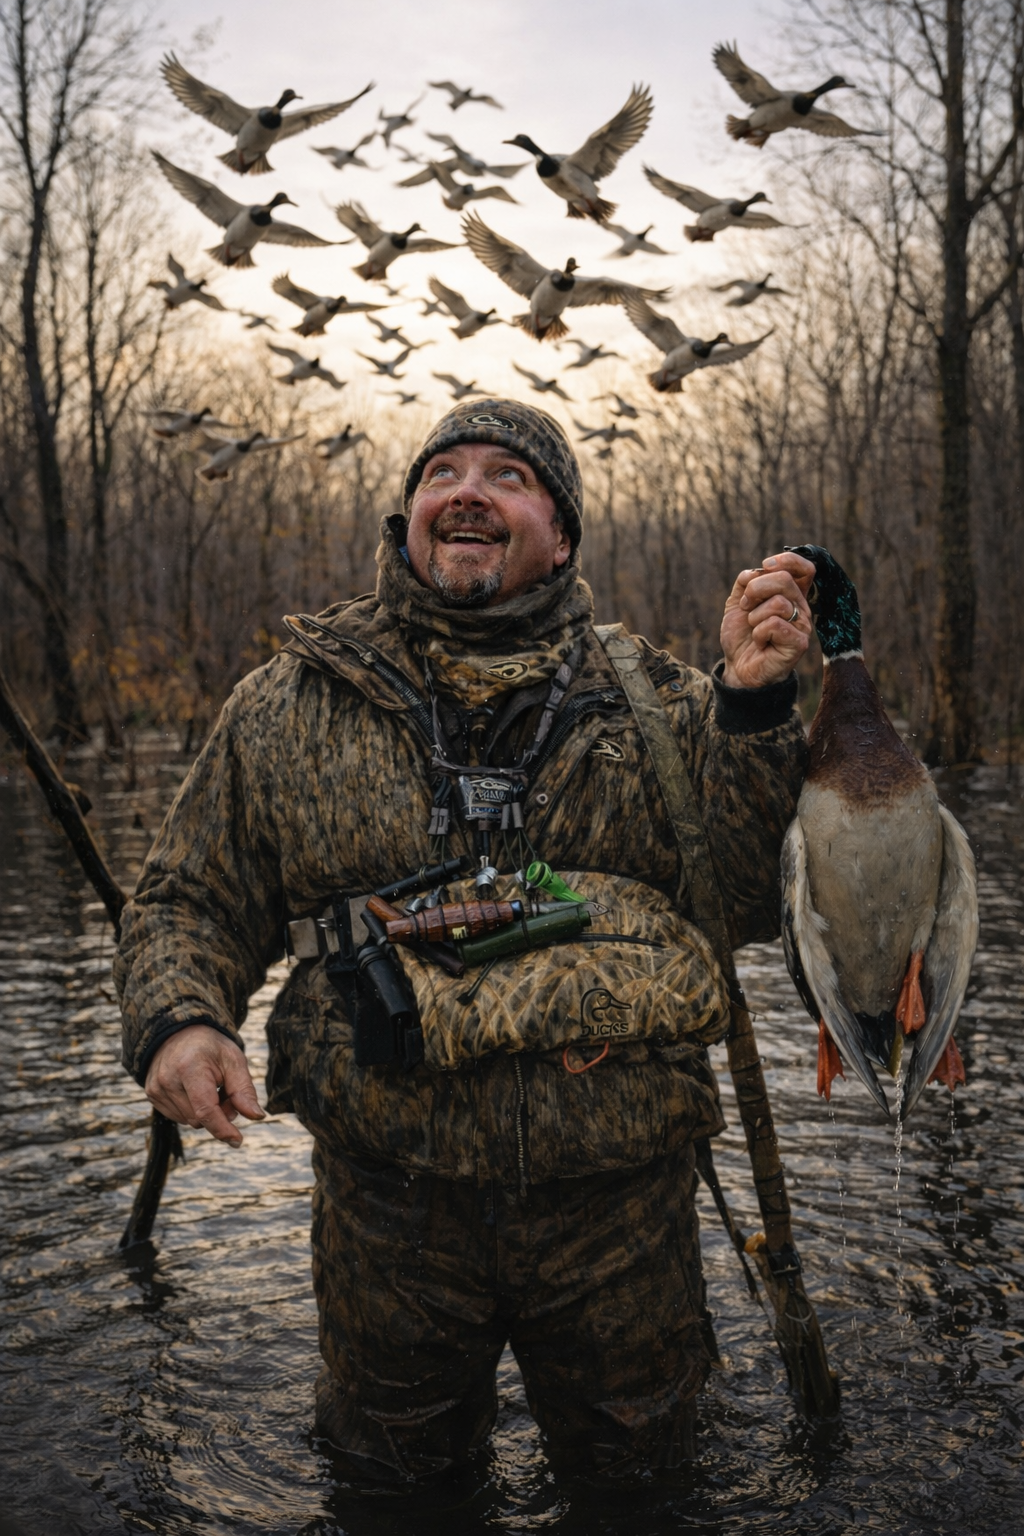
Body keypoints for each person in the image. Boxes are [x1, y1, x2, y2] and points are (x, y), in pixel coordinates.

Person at [116, 400, 813, 1487]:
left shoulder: (665, 706)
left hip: (617, 1204)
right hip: (389, 1203)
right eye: (442, 471)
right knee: (389, 1486)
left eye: (509, 476)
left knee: (643, 1487)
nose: (468, 491)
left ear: (563, 534)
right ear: (409, 519)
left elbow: (743, 902)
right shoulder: (289, 703)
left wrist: (755, 710)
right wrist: (181, 1021)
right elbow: (186, 899)